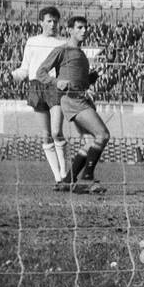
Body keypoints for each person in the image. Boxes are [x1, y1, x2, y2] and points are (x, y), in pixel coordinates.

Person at [35, 15, 110, 194]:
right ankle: (87, 178)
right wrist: (55, 82)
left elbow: (82, 81)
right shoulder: (62, 50)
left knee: (90, 141)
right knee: (103, 135)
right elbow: (41, 72)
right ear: (70, 30)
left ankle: (67, 180)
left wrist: (95, 75)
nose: (84, 31)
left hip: (81, 97)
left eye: (85, 27)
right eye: (79, 28)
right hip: (72, 99)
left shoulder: (82, 55)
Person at [9, 5, 68, 183]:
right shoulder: (32, 41)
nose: (53, 24)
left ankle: (66, 174)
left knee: (57, 131)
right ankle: (58, 178)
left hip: (54, 87)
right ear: (41, 22)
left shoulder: (62, 43)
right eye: (49, 21)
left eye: (55, 21)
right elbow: (25, 68)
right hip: (36, 87)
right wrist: (12, 75)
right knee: (46, 134)